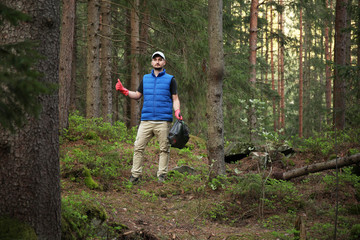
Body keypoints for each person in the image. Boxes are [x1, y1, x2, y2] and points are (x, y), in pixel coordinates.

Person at [115, 51, 183, 183]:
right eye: (155, 59)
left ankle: (161, 176)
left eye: (160, 59)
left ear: (164, 62)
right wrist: (124, 90)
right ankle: (135, 176)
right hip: (146, 120)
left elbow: (175, 99)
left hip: (163, 121)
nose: (157, 61)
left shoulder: (170, 79)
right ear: (152, 62)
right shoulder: (145, 79)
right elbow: (137, 95)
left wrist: (177, 111)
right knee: (138, 147)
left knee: (164, 149)